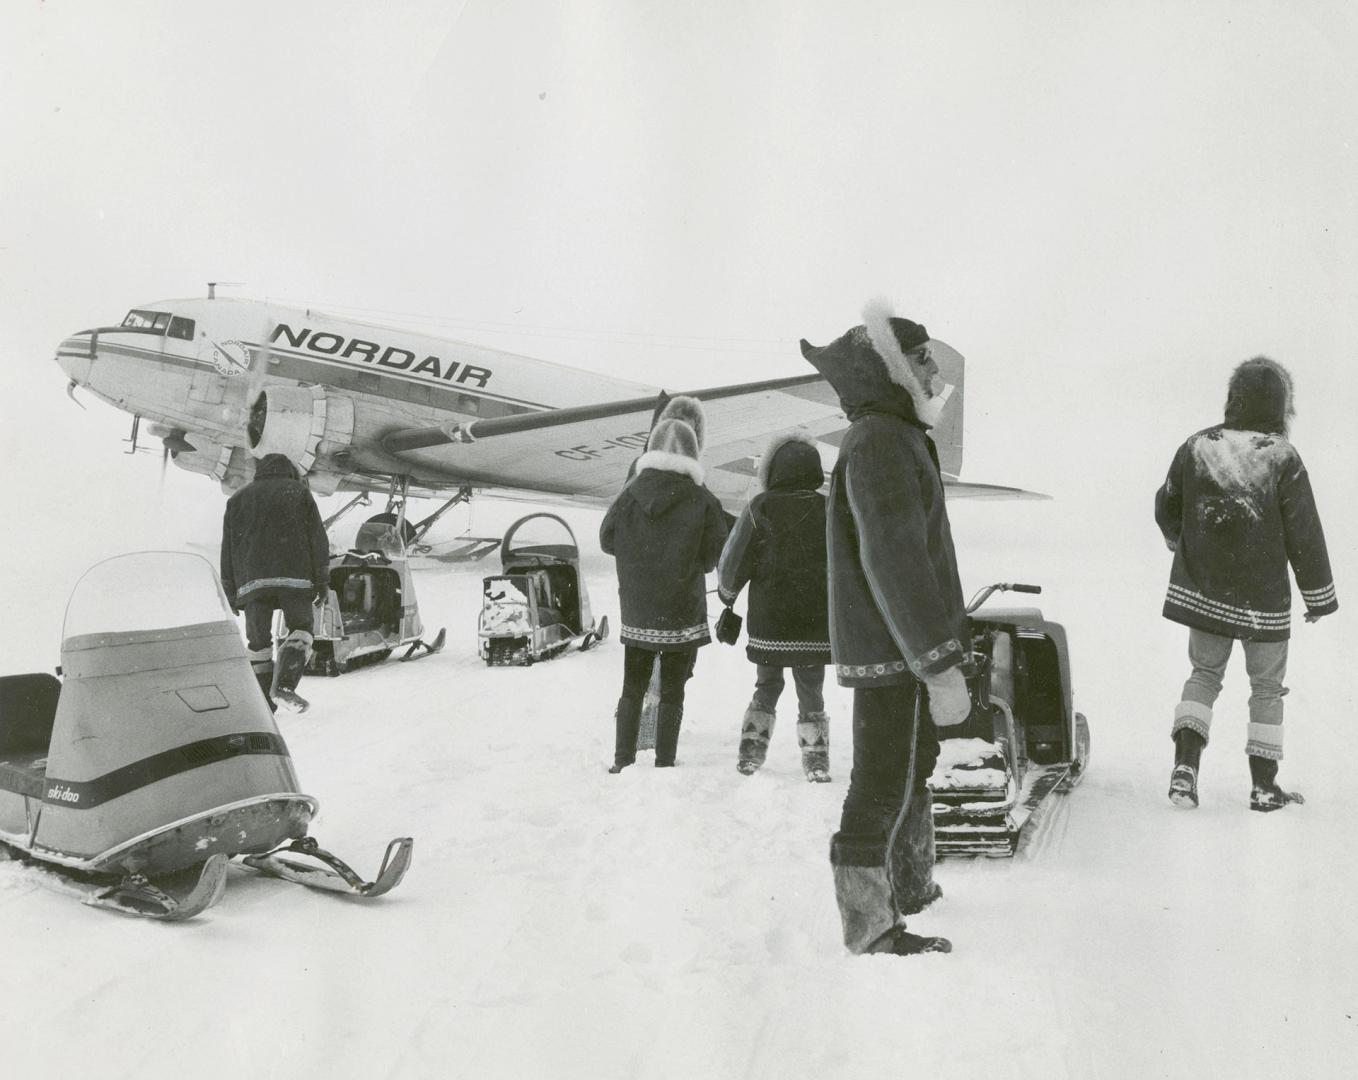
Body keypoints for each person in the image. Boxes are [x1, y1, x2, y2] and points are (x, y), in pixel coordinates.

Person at [800, 300, 973, 957]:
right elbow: (893, 562)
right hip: (892, 652)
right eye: (922, 356)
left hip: (898, 648)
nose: (935, 368)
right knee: (879, 781)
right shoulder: (880, 440)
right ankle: (869, 924)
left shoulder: (894, 435)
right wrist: (937, 662)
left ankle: (910, 886)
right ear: (893, 369)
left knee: (908, 769)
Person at [1154, 357, 1337, 811]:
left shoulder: (1198, 446)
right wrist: (1318, 597)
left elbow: (1166, 503)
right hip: (1264, 600)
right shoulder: (1282, 457)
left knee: (1203, 675)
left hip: (1206, 592)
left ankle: (1185, 768)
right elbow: (1305, 532)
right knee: (1267, 689)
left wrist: (1179, 540)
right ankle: (1264, 786)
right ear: (1280, 407)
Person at [600, 412, 728, 771]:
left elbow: (607, 539)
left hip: (638, 608)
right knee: (673, 689)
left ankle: (622, 760)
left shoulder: (630, 493)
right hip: (681, 608)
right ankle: (664, 761)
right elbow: (712, 555)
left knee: (632, 685)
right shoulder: (702, 499)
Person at [716, 430, 833, 781]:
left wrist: (727, 594)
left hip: (770, 623)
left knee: (767, 684)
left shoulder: (760, 507)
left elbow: (734, 561)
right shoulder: (828, 508)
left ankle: (751, 752)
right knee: (811, 688)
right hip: (816, 624)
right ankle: (816, 761)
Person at [220, 452, 331, 712]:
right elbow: (318, 539)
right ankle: (284, 685)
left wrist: (230, 590)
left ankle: (264, 706)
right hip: (294, 578)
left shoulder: (237, 499)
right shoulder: (299, 492)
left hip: (252, 584)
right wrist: (322, 579)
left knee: (258, 643)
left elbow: (228, 548)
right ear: (289, 471)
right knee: (301, 629)